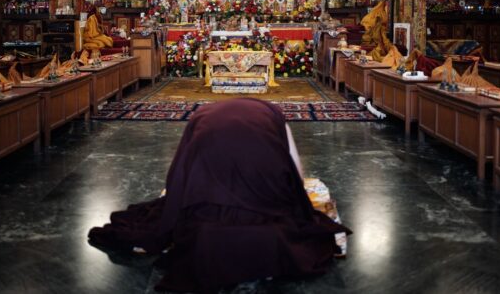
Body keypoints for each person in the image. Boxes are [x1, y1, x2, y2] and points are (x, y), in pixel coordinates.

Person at [88, 98, 349, 293]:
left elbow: (182, 166)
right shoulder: (275, 113)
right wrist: (294, 199)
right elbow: (294, 168)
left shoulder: (201, 114)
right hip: (264, 205)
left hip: (206, 196)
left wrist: (181, 195)